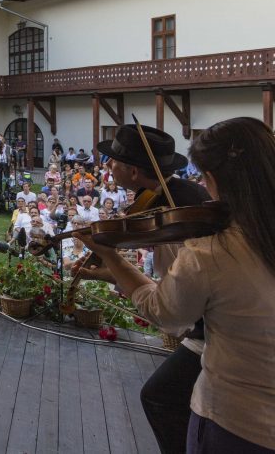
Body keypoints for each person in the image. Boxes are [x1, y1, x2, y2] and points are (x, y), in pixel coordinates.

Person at [79, 117, 275, 453]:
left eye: (203, 177)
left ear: (212, 178)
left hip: (237, 418)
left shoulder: (209, 248)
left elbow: (170, 310)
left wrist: (112, 259)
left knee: (159, 396)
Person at [80, 123, 212, 454]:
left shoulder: (168, 212)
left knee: (159, 396)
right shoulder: (180, 193)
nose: (108, 166)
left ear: (135, 172)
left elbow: (166, 302)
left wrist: (107, 255)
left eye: (113, 161)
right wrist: (101, 274)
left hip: (211, 328)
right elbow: (157, 287)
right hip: (206, 313)